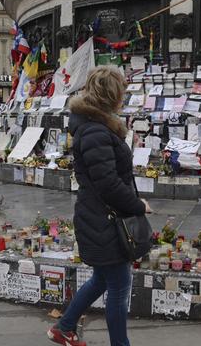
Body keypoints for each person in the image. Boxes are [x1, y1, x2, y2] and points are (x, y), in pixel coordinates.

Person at [47, 66, 152, 346]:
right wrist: (138, 205)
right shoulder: (95, 130)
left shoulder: (97, 126)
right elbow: (107, 184)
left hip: (99, 217)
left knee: (102, 280)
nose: (124, 96)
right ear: (110, 95)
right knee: (118, 287)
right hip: (104, 219)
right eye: (121, 91)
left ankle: (64, 327)